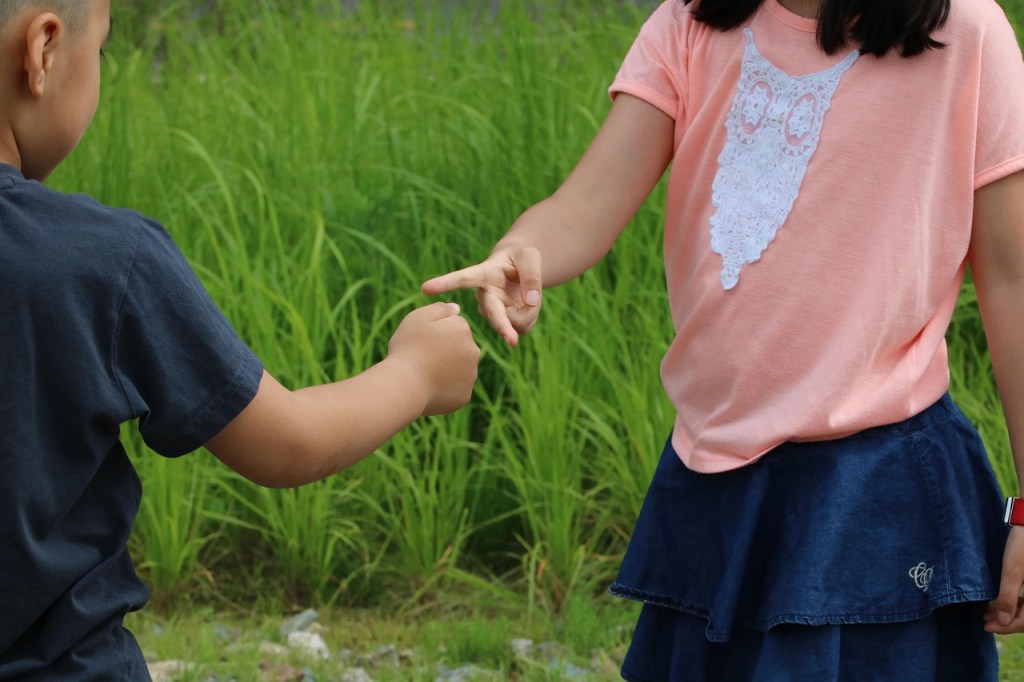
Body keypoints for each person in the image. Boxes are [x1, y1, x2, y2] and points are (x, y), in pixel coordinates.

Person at [423, 0, 1024, 677]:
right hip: (716, 476)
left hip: (883, 490)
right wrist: (521, 250)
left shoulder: (966, 35)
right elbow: (586, 204)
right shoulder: (691, 25)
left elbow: (1012, 280)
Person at [0, 0, 481, 679]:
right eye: (101, 50)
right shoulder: (102, 261)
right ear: (44, 50)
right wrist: (418, 373)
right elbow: (290, 443)